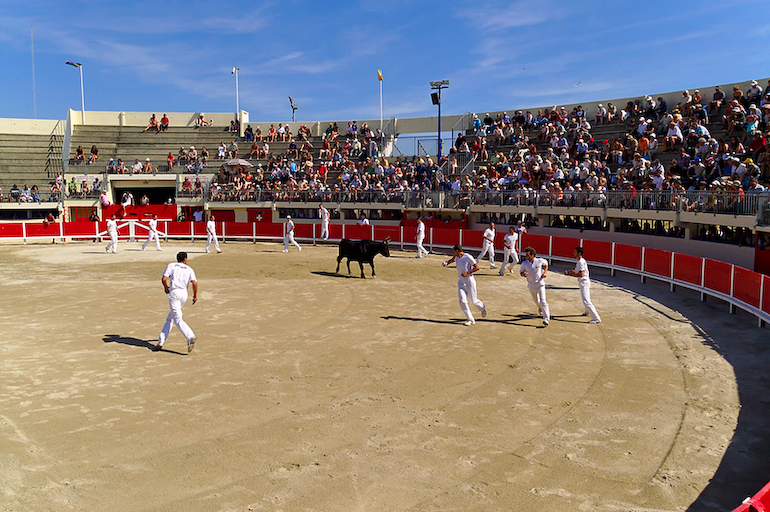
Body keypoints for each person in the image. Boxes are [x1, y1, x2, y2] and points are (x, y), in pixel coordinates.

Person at [155, 251, 198, 353]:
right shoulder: (189, 269)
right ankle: (160, 342)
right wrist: (195, 295)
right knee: (170, 318)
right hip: (184, 294)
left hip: (174, 293)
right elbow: (194, 283)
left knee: (177, 318)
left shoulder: (172, 265)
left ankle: (190, 336)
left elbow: (164, 278)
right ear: (185, 259)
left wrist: (166, 288)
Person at [442, 244, 487, 326]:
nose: (453, 253)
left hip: (469, 280)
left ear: (457, 251)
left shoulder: (468, 257)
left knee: (473, 301)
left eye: (454, 251)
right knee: (462, 301)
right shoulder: (456, 257)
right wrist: (446, 262)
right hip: (461, 282)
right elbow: (453, 259)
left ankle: (482, 308)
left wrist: (467, 273)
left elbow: (477, 267)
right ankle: (470, 319)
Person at [564, 246, 601, 324]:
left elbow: (581, 274)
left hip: (584, 282)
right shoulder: (581, 261)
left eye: (575, 252)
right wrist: (573, 272)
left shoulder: (580, 262)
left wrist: (569, 275)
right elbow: (579, 272)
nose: (574, 253)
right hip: (584, 282)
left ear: (579, 253)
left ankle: (596, 318)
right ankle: (587, 311)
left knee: (586, 301)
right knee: (586, 299)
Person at [520, 246, 550, 326]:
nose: (526, 256)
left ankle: (546, 319)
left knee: (543, 301)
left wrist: (545, 272)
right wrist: (524, 274)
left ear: (532, 255)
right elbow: (521, 273)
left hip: (540, 284)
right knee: (536, 301)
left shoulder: (539, 261)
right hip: (531, 285)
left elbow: (546, 264)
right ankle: (539, 308)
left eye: (527, 255)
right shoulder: (524, 263)